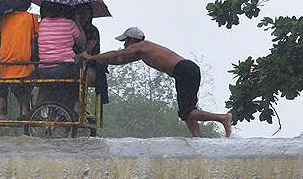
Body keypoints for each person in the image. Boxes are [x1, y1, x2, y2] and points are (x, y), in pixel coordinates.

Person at [82, 27, 233, 137]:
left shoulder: (141, 46)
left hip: (184, 70)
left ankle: (222, 118)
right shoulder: (143, 51)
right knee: (188, 110)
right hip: (187, 69)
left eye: (125, 41)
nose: (124, 45)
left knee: (186, 112)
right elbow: (119, 60)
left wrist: (91, 57)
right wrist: (101, 62)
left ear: (132, 40)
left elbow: (117, 53)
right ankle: (197, 138)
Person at [35, 2, 85, 110]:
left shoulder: (42, 23)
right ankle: (75, 110)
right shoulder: (70, 23)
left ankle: (38, 110)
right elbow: (81, 42)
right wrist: (78, 22)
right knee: (75, 86)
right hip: (65, 69)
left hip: (44, 70)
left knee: (47, 88)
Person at [0, 1, 38, 120]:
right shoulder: (31, 18)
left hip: (3, 65)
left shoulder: (4, 19)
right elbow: (34, 44)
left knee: (10, 85)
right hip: (23, 64)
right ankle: (25, 110)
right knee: (28, 84)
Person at [73, 3, 109, 118]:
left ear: (90, 15)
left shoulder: (92, 31)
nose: (83, 15)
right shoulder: (70, 28)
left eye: (85, 13)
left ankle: (77, 109)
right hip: (71, 66)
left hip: (90, 68)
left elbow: (86, 53)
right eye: (79, 12)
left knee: (76, 79)